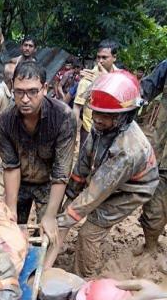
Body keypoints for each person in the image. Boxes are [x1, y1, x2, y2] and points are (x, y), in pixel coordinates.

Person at [48, 71, 159, 277]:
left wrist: (61, 220)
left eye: (106, 115)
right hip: (110, 175)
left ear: (125, 116)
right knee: (69, 212)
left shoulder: (128, 150)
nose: (97, 119)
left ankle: (82, 277)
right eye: (95, 112)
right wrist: (70, 195)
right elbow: (84, 161)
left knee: (90, 231)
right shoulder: (103, 126)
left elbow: (97, 192)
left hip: (134, 188)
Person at [0, 61, 76, 241]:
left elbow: (61, 173)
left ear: (45, 88)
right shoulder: (3, 122)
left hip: (48, 183)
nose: (25, 99)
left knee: (46, 233)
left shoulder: (63, 117)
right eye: (19, 92)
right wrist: (11, 211)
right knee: (11, 230)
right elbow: (11, 167)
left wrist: (50, 216)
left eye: (32, 91)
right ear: (12, 89)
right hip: (20, 181)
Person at [135, 60, 167, 254]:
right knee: (154, 207)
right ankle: (151, 247)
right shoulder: (166, 66)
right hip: (163, 155)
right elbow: (143, 91)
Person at [73, 39, 119, 147]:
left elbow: (124, 102)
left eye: (104, 57)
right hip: (89, 131)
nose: (100, 61)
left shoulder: (120, 78)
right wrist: (73, 132)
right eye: (98, 57)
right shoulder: (87, 79)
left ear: (114, 57)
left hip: (112, 131)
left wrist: (104, 81)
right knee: (84, 162)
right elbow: (76, 107)